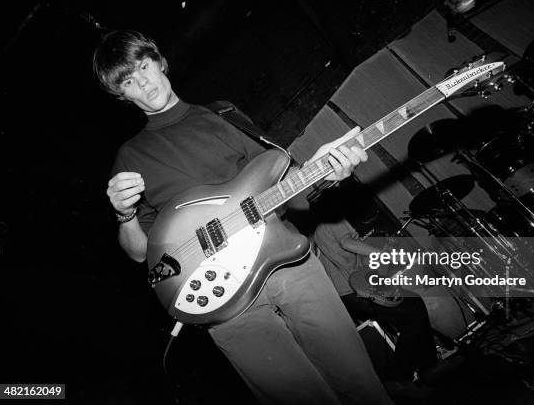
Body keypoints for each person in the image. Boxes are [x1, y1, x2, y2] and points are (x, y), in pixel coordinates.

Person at [94, 30, 394, 405]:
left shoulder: (223, 115)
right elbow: (141, 254)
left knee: (361, 384)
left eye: (142, 67)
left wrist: (326, 175)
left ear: (159, 61)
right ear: (121, 96)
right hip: (223, 305)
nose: (142, 82)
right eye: (128, 81)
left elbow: (284, 181)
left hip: (286, 263)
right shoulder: (130, 157)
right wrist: (124, 215)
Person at [314, 218, 438, 384]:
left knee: (412, 309)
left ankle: (426, 367)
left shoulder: (323, 227)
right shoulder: (333, 220)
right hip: (355, 288)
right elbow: (347, 243)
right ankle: (402, 378)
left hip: (350, 290)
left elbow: (349, 254)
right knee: (412, 310)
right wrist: (384, 254)